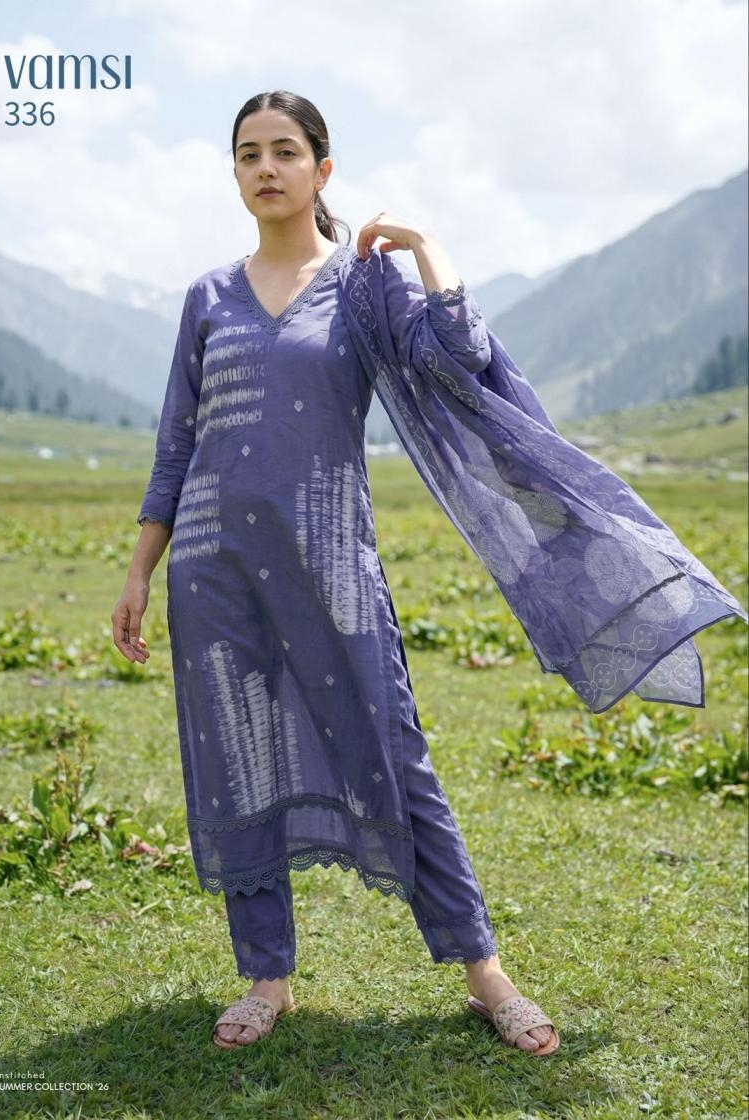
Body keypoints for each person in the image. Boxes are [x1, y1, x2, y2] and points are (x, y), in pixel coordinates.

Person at [111, 89, 745, 1059]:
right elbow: (175, 444)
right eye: (247, 154)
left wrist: (425, 249)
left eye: (284, 151)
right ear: (234, 172)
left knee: (395, 752)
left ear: (321, 169)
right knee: (239, 758)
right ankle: (266, 976)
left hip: (330, 559)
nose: (265, 168)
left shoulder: (362, 288)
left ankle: (484, 973)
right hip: (212, 568)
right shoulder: (208, 296)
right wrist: (138, 571)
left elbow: (458, 356)